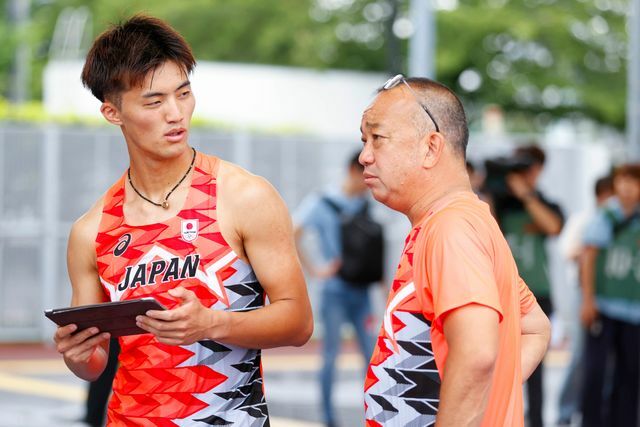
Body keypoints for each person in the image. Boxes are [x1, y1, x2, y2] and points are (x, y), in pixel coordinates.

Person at [52, 15, 313, 426]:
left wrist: (212, 322)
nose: (176, 113)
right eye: (154, 101)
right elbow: (94, 365)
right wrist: (78, 355)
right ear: (112, 112)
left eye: (184, 93)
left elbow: (298, 322)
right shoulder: (91, 230)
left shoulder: (243, 196)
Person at [359, 74, 550, 426]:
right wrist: (494, 400)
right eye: (364, 140)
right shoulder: (462, 221)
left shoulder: (451, 228)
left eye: (377, 139)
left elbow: (477, 354)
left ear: (431, 147)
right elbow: (534, 326)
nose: (364, 156)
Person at [294, 152, 378, 427]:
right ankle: (329, 418)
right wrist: (316, 270)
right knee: (330, 356)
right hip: (335, 291)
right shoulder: (322, 202)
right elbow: (294, 232)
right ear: (353, 170)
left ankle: (376, 414)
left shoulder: (366, 202)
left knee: (372, 356)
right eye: (365, 172)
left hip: (362, 291)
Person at [483, 144, 563, 427]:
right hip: (500, 295)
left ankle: (537, 421)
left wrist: (526, 195)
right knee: (494, 364)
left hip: (537, 295)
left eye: (527, 168)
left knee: (535, 368)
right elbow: (485, 226)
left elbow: (553, 227)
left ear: (538, 171)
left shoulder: (543, 203)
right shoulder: (497, 204)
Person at [580, 164, 640, 427]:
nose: (627, 187)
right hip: (604, 306)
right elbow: (589, 258)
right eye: (623, 180)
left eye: (634, 182)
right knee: (596, 372)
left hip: (634, 311)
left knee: (630, 375)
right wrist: (588, 300)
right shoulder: (606, 215)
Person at [555, 175, 612, 426]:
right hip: (584, 293)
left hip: (611, 295)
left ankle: (601, 411)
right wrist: (592, 249)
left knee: (609, 358)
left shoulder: (623, 221)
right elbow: (567, 250)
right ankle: (565, 412)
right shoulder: (586, 220)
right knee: (580, 355)